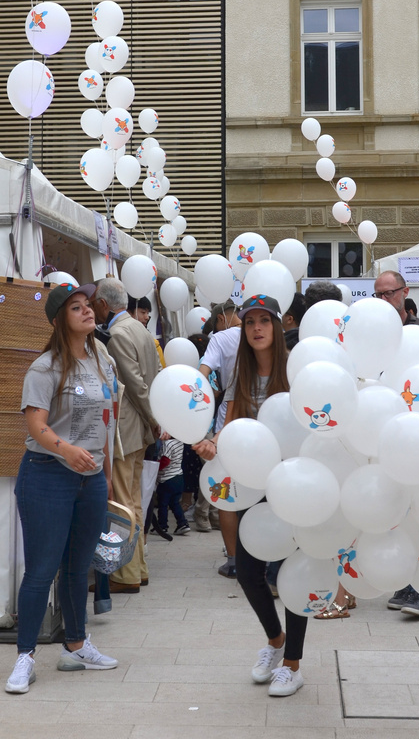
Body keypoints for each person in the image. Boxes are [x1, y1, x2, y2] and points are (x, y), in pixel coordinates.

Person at [6, 282, 119, 695]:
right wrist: (67, 450)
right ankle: (24, 657)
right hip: (47, 474)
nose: (88, 311)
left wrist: (105, 471)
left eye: (88, 305)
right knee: (41, 570)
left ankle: (76, 645)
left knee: (78, 567)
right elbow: (35, 424)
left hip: (89, 478)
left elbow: (109, 414)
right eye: (76, 308)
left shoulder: (101, 358)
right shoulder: (45, 367)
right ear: (59, 320)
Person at [195, 294, 307, 697]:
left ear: (277, 326)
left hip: (294, 484)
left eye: (264, 321)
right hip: (254, 488)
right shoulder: (240, 374)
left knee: (293, 575)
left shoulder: (295, 371)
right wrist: (212, 443)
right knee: (246, 572)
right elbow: (231, 425)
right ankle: (275, 642)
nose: (256, 328)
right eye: (248, 322)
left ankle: (293, 663)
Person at [374, 268, 419, 618]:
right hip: (384, 433)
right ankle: (402, 581)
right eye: (378, 295)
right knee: (394, 511)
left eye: (389, 293)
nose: (384, 300)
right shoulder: (371, 331)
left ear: (405, 292)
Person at [92, 278, 159, 593]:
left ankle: (126, 574)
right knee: (133, 501)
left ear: (104, 304)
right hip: (138, 429)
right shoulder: (140, 330)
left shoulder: (117, 334)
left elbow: (133, 385)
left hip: (126, 429)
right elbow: (151, 379)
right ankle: (138, 569)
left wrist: (152, 418)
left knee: (123, 503)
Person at [199, 299, 242, 575]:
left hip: (229, 412)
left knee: (227, 488)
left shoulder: (220, 338)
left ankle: (234, 560)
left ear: (221, 318)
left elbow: (202, 374)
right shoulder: (266, 332)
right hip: (265, 415)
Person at [156, 436, 190, 537]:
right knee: (175, 503)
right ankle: (182, 523)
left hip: (167, 479)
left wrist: (155, 467)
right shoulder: (180, 442)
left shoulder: (168, 444)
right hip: (178, 476)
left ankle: (162, 526)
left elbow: (165, 461)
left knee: (163, 504)